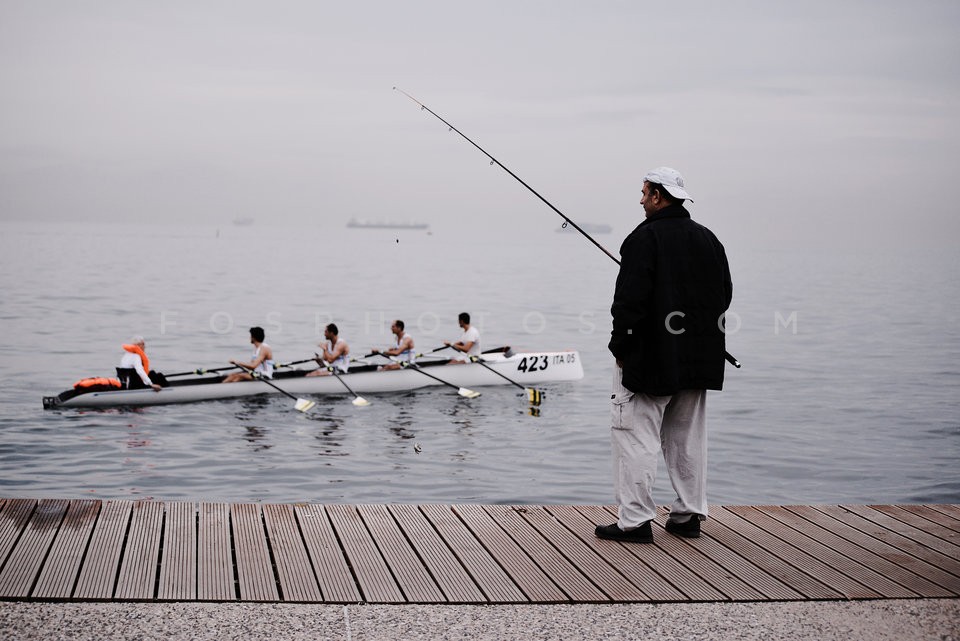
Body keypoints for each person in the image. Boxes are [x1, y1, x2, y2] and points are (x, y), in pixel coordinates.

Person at [597, 167, 732, 544]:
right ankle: (688, 515)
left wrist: (620, 346)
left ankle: (635, 521)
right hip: (699, 358)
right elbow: (724, 295)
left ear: (658, 196)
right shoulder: (708, 239)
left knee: (634, 435)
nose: (640, 199)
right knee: (687, 438)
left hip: (649, 359)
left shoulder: (644, 237)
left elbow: (629, 302)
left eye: (644, 193)